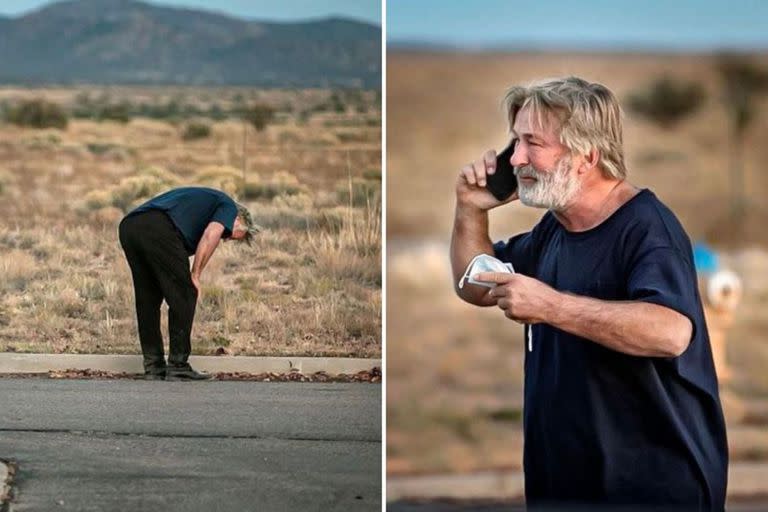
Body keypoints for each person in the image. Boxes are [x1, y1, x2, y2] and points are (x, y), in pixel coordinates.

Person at [450, 77, 727, 511]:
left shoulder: (648, 229)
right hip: (563, 484)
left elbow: (671, 332)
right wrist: (469, 208)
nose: (516, 158)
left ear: (587, 156)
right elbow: (476, 284)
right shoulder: (555, 229)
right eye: (515, 142)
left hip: (650, 489)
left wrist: (550, 306)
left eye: (532, 143)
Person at [118, 186, 260, 381]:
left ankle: (154, 367)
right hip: (158, 227)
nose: (225, 239)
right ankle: (178, 366)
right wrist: (195, 274)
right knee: (186, 293)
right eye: (229, 235)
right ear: (238, 219)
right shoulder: (228, 206)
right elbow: (211, 235)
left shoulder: (202, 206)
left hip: (130, 226)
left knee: (148, 300)